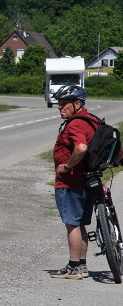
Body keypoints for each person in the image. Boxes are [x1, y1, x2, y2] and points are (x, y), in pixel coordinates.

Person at [50, 84, 94, 280]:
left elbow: (82, 148)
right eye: (59, 104)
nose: (60, 107)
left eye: (64, 104)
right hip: (84, 182)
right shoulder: (91, 120)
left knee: (72, 225)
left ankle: (74, 266)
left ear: (77, 104)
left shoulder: (76, 123)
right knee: (80, 225)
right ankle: (81, 266)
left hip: (71, 183)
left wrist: (66, 167)